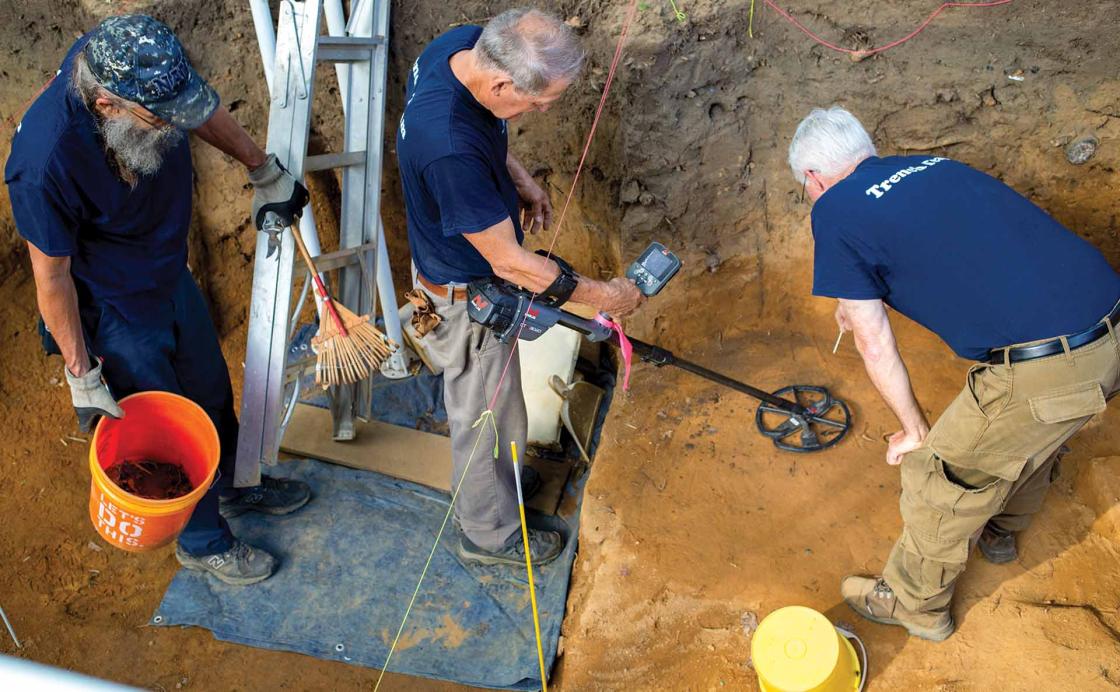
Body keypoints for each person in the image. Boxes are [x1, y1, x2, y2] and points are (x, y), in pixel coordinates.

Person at [787, 106, 1120, 641]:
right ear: (865, 152)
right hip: (1109, 324)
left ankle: (915, 604)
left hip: (1052, 366)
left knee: (936, 480)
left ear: (813, 178)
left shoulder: (832, 210)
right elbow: (961, 251)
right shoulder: (934, 165)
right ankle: (1002, 534)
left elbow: (873, 341)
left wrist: (915, 429)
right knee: (1030, 438)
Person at [5, 15, 313, 585]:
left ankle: (236, 484)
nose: (176, 124)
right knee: (167, 426)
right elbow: (52, 279)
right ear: (108, 108)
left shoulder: (132, 56)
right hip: (114, 305)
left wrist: (261, 168)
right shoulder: (45, 164)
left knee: (210, 391)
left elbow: (196, 108)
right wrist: (81, 372)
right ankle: (202, 542)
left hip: (169, 271)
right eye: (160, 117)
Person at [396, 8, 645, 566]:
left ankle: (497, 483)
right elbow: (511, 263)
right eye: (537, 102)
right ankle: (488, 534)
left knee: (498, 409)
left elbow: (485, 129)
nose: (540, 110)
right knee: (487, 416)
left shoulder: (463, 48)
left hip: (456, 260)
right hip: (465, 296)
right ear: (503, 82)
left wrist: (518, 176)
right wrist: (607, 296)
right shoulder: (450, 150)